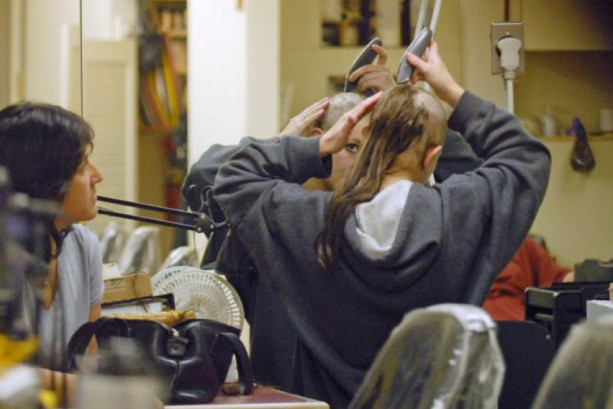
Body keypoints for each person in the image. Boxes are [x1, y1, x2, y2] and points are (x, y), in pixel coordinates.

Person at [212, 42, 551, 409]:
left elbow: (234, 178)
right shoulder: (459, 214)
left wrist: (317, 146)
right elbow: (526, 156)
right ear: (433, 156)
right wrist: (449, 90)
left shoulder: (309, 221)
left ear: (370, 148)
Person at [0, 102, 104, 399]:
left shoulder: (84, 245)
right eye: (82, 168)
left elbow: (88, 360)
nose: (98, 175)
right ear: (44, 183)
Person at [483, 236, 573, 321]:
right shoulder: (474, 242)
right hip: (481, 317)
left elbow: (559, 278)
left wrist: (574, 277)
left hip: (521, 318)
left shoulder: (520, 241)